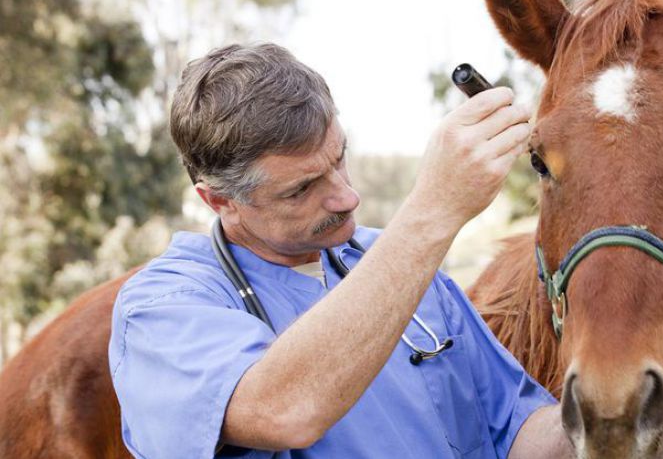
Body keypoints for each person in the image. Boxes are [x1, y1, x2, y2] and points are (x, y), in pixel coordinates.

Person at [108, 43, 570, 458]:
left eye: (339, 157)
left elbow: (515, 430)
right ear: (220, 200)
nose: (347, 198)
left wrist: (613, 422)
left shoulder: (394, 263)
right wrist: (434, 210)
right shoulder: (160, 309)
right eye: (302, 189)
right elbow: (284, 411)